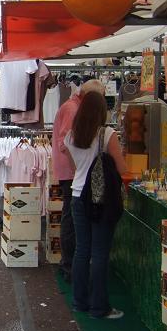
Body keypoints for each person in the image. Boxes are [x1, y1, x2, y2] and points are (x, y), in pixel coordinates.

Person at [65, 91, 127, 320]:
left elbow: (74, 169)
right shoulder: (107, 134)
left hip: (77, 195)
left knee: (82, 250)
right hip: (101, 199)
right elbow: (122, 168)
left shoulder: (70, 136)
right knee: (100, 253)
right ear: (102, 111)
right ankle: (99, 306)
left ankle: (80, 301)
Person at [52, 79, 106, 282]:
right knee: (72, 220)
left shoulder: (71, 106)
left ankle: (69, 264)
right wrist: (78, 167)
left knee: (71, 218)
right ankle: (69, 265)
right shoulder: (73, 109)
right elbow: (65, 142)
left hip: (71, 171)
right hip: (71, 173)